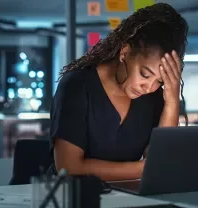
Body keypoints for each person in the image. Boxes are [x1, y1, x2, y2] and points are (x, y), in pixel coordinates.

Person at [48, 3, 189, 181]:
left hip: (124, 196)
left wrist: (172, 100)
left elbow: (160, 162)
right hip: (72, 197)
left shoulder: (152, 97)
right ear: (125, 52)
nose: (149, 87)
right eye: (145, 74)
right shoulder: (77, 85)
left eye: (159, 81)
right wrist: (142, 169)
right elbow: (69, 168)